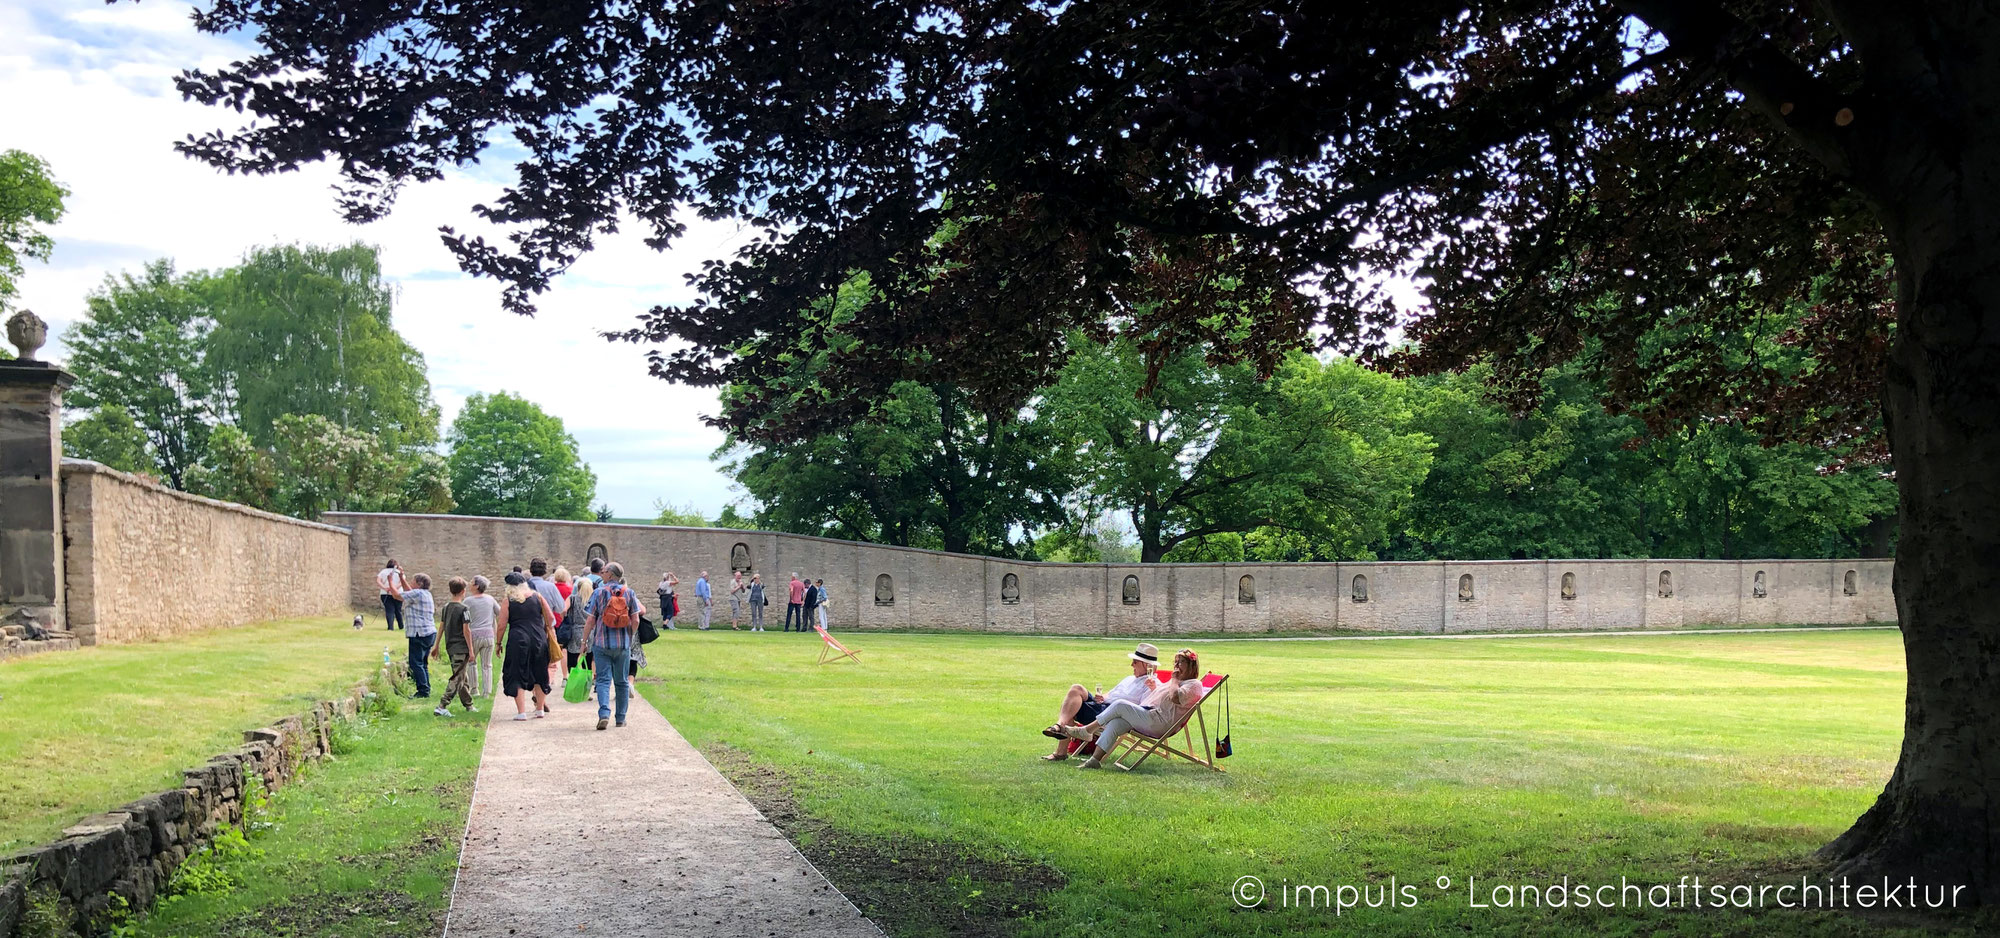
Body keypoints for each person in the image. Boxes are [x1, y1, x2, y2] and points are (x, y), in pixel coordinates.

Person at [1056, 649, 1208, 770]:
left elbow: (1175, 698)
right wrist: (1156, 688)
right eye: (1176, 662)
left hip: (1158, 721)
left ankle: (1087, 730)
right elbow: (1164, 695)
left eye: (1181, 662)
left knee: (1121, 705)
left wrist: (1174, 679)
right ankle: (1094, 760)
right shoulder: (1176, 682)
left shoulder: (1194, 685)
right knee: (1117, 722)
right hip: (1150, 715)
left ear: (1191, 665)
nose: (1176, 666)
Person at [1041, 643, 1163, 761]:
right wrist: (1102, 697)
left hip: (1110, 715)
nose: (1131, 665)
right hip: (1102, 706)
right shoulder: (1129, 679)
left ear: (1147, 666)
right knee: (1076, 689)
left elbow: (1143, 710)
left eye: (1135, 662)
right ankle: (1059, 725)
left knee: (1071, 709)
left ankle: (1060, 746)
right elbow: (1111, 694)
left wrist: (1152, 690)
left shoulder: (1154, 686)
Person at [582, 561, 646, 730]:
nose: (601, 573)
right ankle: (620, 718)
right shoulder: (629, 593)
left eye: (603, 571)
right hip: (622, 644)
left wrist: (584, 641)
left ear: (610, 574)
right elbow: (636, 619)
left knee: (603, 681)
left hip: (601, 643)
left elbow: (590, 620)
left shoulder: (599, 592)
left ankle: (604, 713)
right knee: (622, 682)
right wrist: (629, 636)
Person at [498, 572, 556, 721]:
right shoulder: (538, 597)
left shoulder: (508, 601)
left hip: (518, 639)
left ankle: (521, 712)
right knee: (540, 673)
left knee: (517, 673)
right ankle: (539, 709)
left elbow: (502, 624)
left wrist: (498, 643)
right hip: (538, 638)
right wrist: (547, 630)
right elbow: (550, 618)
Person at [431, 577, 475, 716]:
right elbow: (466, 630)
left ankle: (469, 705)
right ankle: (442, 705)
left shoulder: (446, 608)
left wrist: (436, 645)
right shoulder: (464, 609)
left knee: (463, 677)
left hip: (450, 647)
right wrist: (471, 650)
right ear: (463, 591)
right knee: (457, 678)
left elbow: (442, 627)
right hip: (461, 648)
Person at [464, 575, 502, 697]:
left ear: (476, 586)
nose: (469, 584)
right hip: (488, 635)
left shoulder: (468, 601)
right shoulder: (490, 599)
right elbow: (500, 613)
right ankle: (487, 691)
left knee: (471, 662)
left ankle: (474, 689)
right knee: (487, 665)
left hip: (473, 635)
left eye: (471, 582)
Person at [403, 572, 438, 698]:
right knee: (423, 663)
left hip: (419, 633)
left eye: (413, 581)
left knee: (415, 663)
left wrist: (390, 582)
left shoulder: (417, 593)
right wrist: (402, 578)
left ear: (419, 583)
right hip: (429, 632)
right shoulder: (425, 594)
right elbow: (408, 592)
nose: (411, 583)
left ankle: (423, 691)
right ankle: (425, 687)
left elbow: (398, 596)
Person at [376, 559, 407, 630]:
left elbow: (378, 580)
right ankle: (401, 626)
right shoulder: (399, 572)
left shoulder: (383, 572)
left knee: (389, 610)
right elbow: (401, 582)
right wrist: (394, 588)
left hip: (385, 593)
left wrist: (385, 588)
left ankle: (390, 627)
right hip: (398, 593)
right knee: (398, 610)